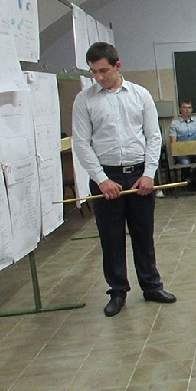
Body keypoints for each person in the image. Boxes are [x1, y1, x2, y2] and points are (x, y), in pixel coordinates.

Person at [72, 42, 176, 317]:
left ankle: (151, 286)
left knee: (143, 235)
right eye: (94, 72)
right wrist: (101, 179)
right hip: (106, 177)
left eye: (103, 70)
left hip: (139, 175)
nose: (98, 77)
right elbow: (81, 143)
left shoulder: (140, 95)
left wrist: (148, 174)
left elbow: (153, 136)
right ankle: (117, 291)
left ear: (117, 66)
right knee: (111, 238)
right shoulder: (84, 100)